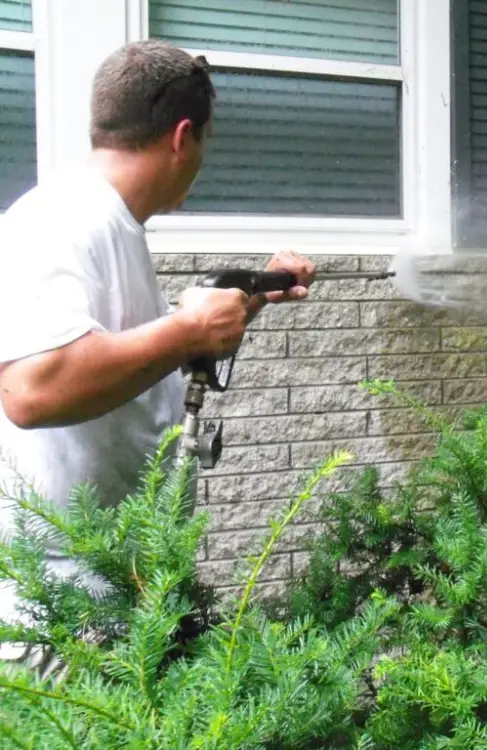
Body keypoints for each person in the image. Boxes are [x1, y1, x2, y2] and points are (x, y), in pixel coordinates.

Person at [0, 39, 316, 662]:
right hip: (57, 620)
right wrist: (188, 332)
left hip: (112, 596)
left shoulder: (111, 224)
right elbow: (32, 389)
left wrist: (240, 303)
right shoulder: (60, 221)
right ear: (182, 137)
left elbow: (114, 352)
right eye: (204, 142)